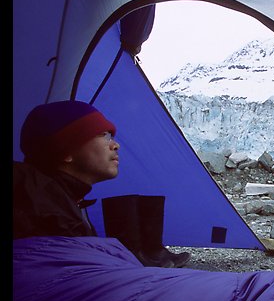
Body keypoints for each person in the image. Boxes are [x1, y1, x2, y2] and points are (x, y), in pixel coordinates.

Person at [13, 100, 190, 268]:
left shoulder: (53, 199)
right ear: (65, 151)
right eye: (104, 135)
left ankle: (142, 255)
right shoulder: (43, 210)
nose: (116, 145)